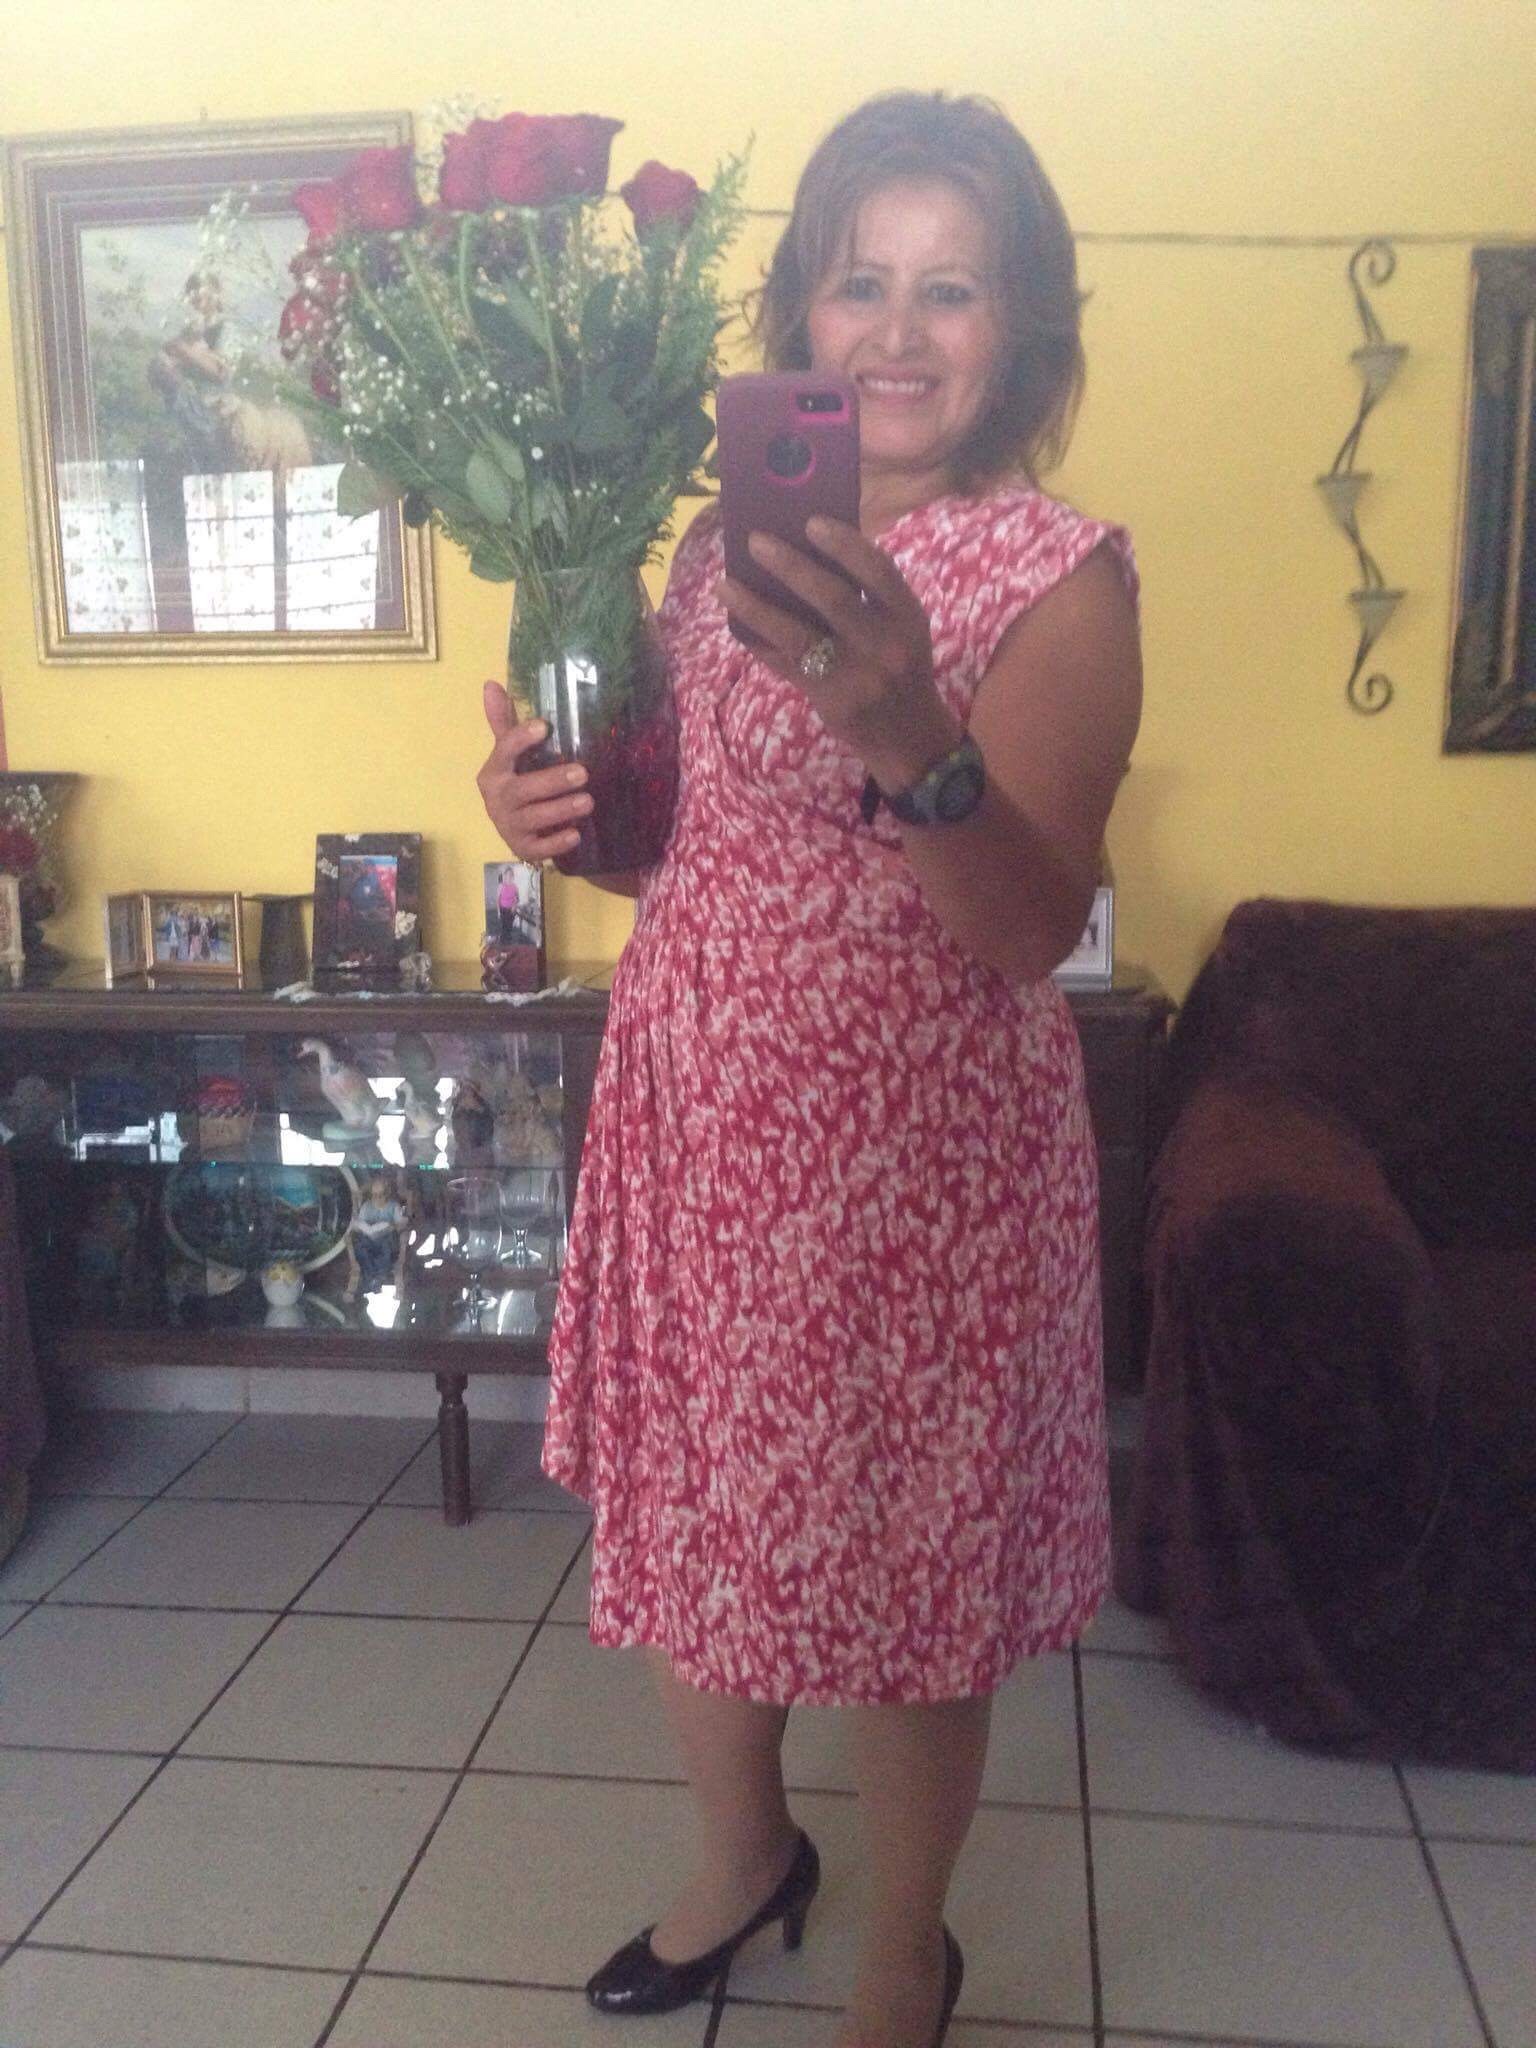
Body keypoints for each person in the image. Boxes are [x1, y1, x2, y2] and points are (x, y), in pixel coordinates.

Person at [476, 90, 1142, 2048]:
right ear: (802, 314)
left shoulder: (1061, 575)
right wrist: (551, 819)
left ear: (1022, 330)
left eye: (954, 289)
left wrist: (908, 728)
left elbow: (1028, 923)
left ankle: (900, 1951)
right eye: (862, 282)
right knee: (701, 1521)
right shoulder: (720, 553)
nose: (900, 331)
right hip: (700, 1119)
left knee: (910, 1571)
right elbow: (675, 848)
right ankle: (748, 1853)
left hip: (922, 1164)